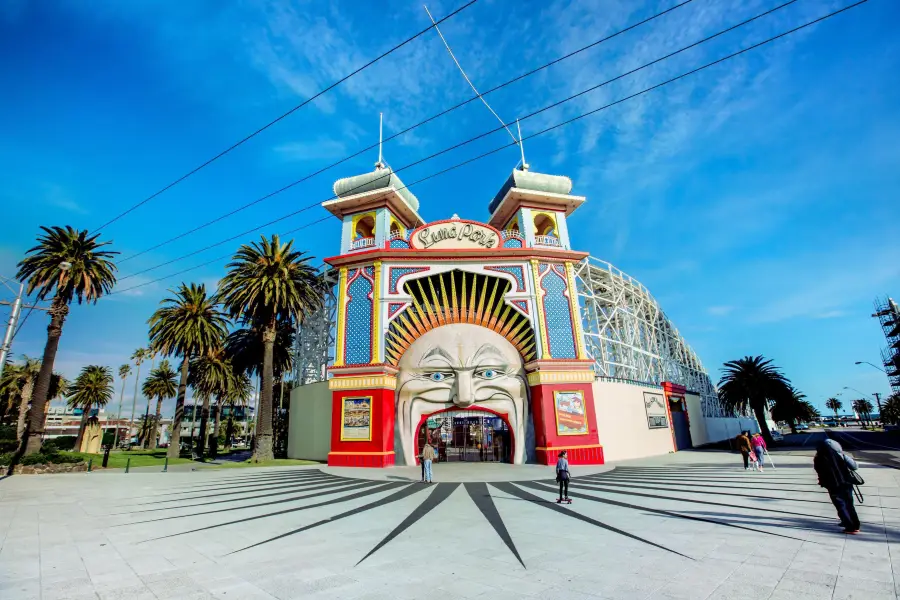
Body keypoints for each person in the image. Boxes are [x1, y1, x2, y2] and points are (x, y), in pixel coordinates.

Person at [814, 439, 861, 534]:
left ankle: (850, 527)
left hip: (832, 485)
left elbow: (819, 471)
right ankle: (855, 525)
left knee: (840, 505)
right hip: (846, 482)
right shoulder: (841, 455)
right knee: (849, 504)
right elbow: (855, 466)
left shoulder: (819, 457)